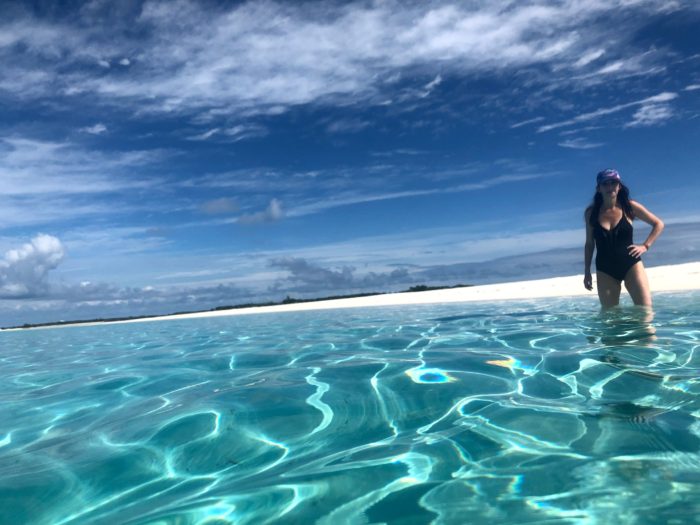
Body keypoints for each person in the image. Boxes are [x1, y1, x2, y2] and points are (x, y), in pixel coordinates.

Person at [584, 169, 664, 307]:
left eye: (613, 183)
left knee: (645, 311)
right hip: (605, 269)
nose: (610, 187)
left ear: (619, 186)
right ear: (599, 188)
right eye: (605, 184)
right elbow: (590, 243)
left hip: (631, 265)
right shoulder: (591, 213)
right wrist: (587, 272)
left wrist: (645, 246)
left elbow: (658, 224)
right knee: (610, 317)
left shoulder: (629, 206)